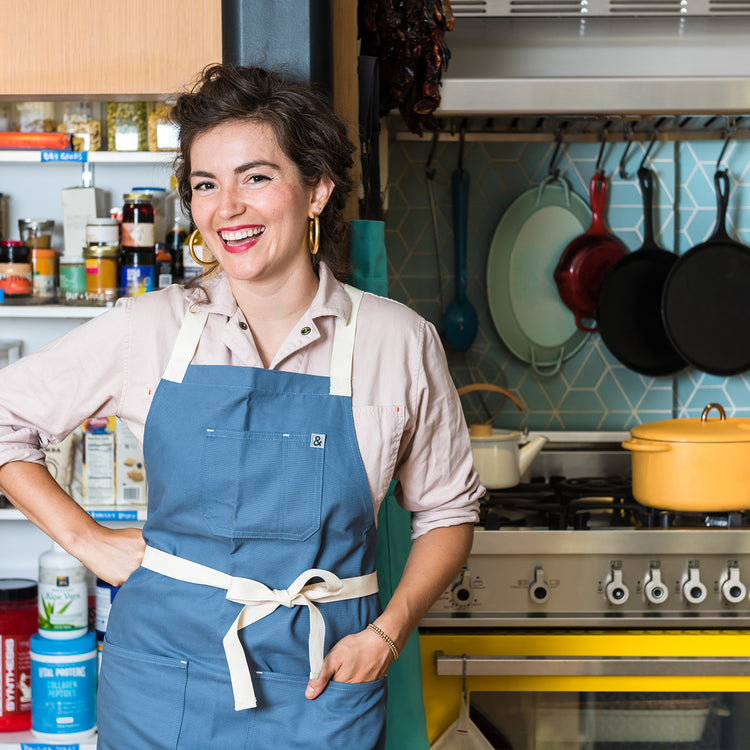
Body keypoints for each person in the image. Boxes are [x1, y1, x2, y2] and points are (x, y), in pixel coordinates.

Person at [0, 64, 482, 749]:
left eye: (255, 177)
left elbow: (449, 511)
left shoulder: (397, 341)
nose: (226, 207)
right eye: (206, 184)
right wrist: (85, 540)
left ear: (316, 188)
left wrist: (388, 631)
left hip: (326, 681)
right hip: (162, 681)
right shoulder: (152, 328)